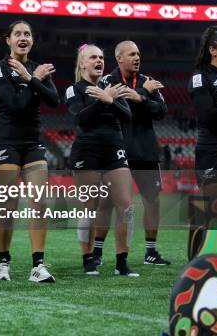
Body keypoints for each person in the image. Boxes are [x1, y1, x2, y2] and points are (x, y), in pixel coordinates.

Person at [0, 21, 59, 282]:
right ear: (8, 39)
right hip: (6, 141)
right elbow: (16, 104)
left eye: (27, 34)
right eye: (17, 33)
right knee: (8, 204)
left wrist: (32, 78)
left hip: (33, 143)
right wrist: (34, 82)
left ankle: (37, 266)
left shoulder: (36, 70)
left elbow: (55, 100)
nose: (23, 37)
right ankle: (3, 263)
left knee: (39, 203)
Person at [93, 41, 170, 266]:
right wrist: (141, 94)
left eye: (138, 53)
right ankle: (97, 252)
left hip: (146, 151)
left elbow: (162, 111)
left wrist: (142, 98)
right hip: (117, 151)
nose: (137, 57)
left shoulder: (148, 82)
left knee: (152, 201)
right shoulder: (107, 81)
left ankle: (151, 252)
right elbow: (113, 107)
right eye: (132, 54)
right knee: (107, 203)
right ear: (119, 58)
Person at [65, 44, 138, 277]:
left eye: (101, 57)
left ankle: (122, 262)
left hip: (114, 150)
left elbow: (127, 116)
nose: (99, 61)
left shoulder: (112, 87)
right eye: (93, 57)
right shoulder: (74, 89)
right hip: (87, 151)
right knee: (90, 206)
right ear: (82, 63)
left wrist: (109, 99)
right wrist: (102, 101)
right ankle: (88, 260)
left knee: (126, 207)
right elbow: (80, 119)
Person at [187, 26, 217, 259]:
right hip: (213, 154)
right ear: (212, 50)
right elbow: (206, 115)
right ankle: (194, 261)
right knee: (214, 212)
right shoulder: (201, 77)